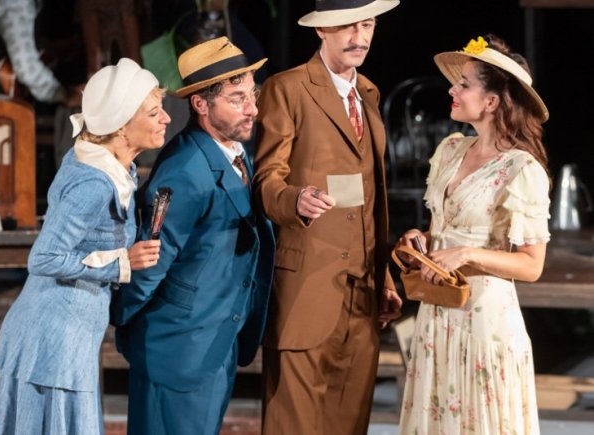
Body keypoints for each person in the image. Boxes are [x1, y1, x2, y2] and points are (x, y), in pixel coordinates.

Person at [0, 58, 169, 435]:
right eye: (154, 113)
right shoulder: (94, 183)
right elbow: (43, 258)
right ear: (120, 125)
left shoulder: (108, 163)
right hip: (54, 338)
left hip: (68, 335)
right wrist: (121, 262)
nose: (166, 119)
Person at [110, 37, 275, 434]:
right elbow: (152, 260)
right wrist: (126, 324)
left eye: (252, 95)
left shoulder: (233, 152)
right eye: (237, 99)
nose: (252, 109)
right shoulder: (185, 171)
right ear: (201, 104)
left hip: (215, 340)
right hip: (178, 348)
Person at [252, 1, 403, 433]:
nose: (360, 37)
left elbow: (369, 199)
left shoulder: (369, 93)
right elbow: (266, 178)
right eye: (347, 27)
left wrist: (384, 276)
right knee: (294, 423)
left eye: (367, 25)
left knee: (349, 422)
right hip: (307, 287)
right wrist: (294, 200)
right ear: (321, 30)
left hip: (363, 292)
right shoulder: (288, 88)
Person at [397, 34, 551, 434]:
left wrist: (466, 254)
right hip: (436, 314)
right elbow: (445, 229)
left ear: (492, 102)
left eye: (464, 84)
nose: (452, 90)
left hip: (483, 320)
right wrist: (423, 240)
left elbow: (532, 266)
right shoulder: (451, 150)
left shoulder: (521, 169)